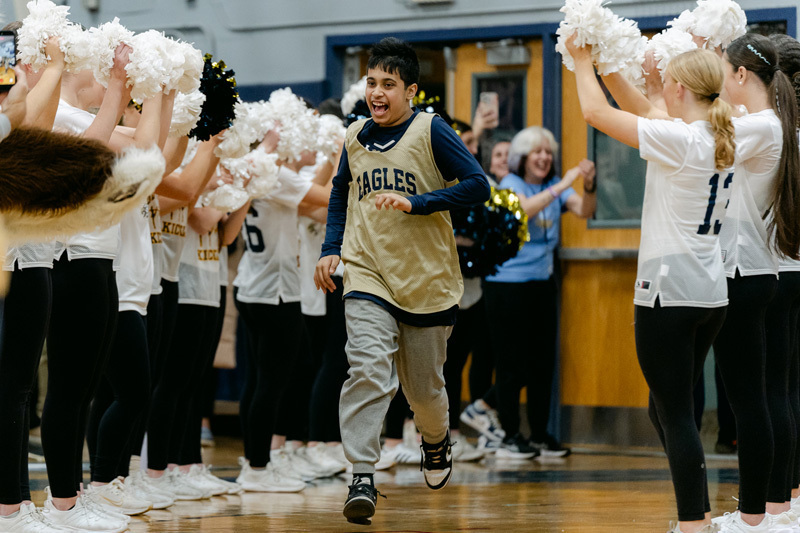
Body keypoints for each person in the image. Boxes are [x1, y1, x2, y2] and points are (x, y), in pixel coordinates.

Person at [314, 36, 490, 524]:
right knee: (367, 369)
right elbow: (338, 194)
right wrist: (331, 250)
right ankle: (362, 474)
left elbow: (479, 185)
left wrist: (421, 202)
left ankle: (435, 441)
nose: (377, 92)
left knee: (425, 392)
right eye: (372, 82)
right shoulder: (354, 136)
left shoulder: (431, 130)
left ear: (410, 90)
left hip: (427, 280)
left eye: (388, 84)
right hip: (367, 273)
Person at [568, 32, 737, 533]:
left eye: (669, 81)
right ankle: (698, 510)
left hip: (669, 292)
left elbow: (597, 115)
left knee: (675, 414)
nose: (663, 86)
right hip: (709, 293)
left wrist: (580, 59)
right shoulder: (712, 134)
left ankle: (693, 522)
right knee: (667, 409)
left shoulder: (681, 139)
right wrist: (609, 63)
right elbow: (639, 107)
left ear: (682, 89)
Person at [708, 34, 800, 533]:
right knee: (772, 393)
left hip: (757, 270)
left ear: (744, 74)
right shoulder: (774, 125)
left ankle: (760, 512)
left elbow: (706, 148)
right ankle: (778, 504)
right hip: (771, 268)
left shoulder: (764, 127)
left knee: (759, 398)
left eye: (724, 67)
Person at [482, 124, 595, 459]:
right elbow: (522, 211)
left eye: (548, 152)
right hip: (506, 286)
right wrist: (563, 184)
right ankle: (509, 433)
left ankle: (541, 433)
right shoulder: (509, 185)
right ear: (522, 158)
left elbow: (585, 210)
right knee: (511, 362)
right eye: (537, 152)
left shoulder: (552, 188)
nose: (545, 158)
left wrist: (588, 186)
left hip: (542, 283)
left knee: (542, 362)